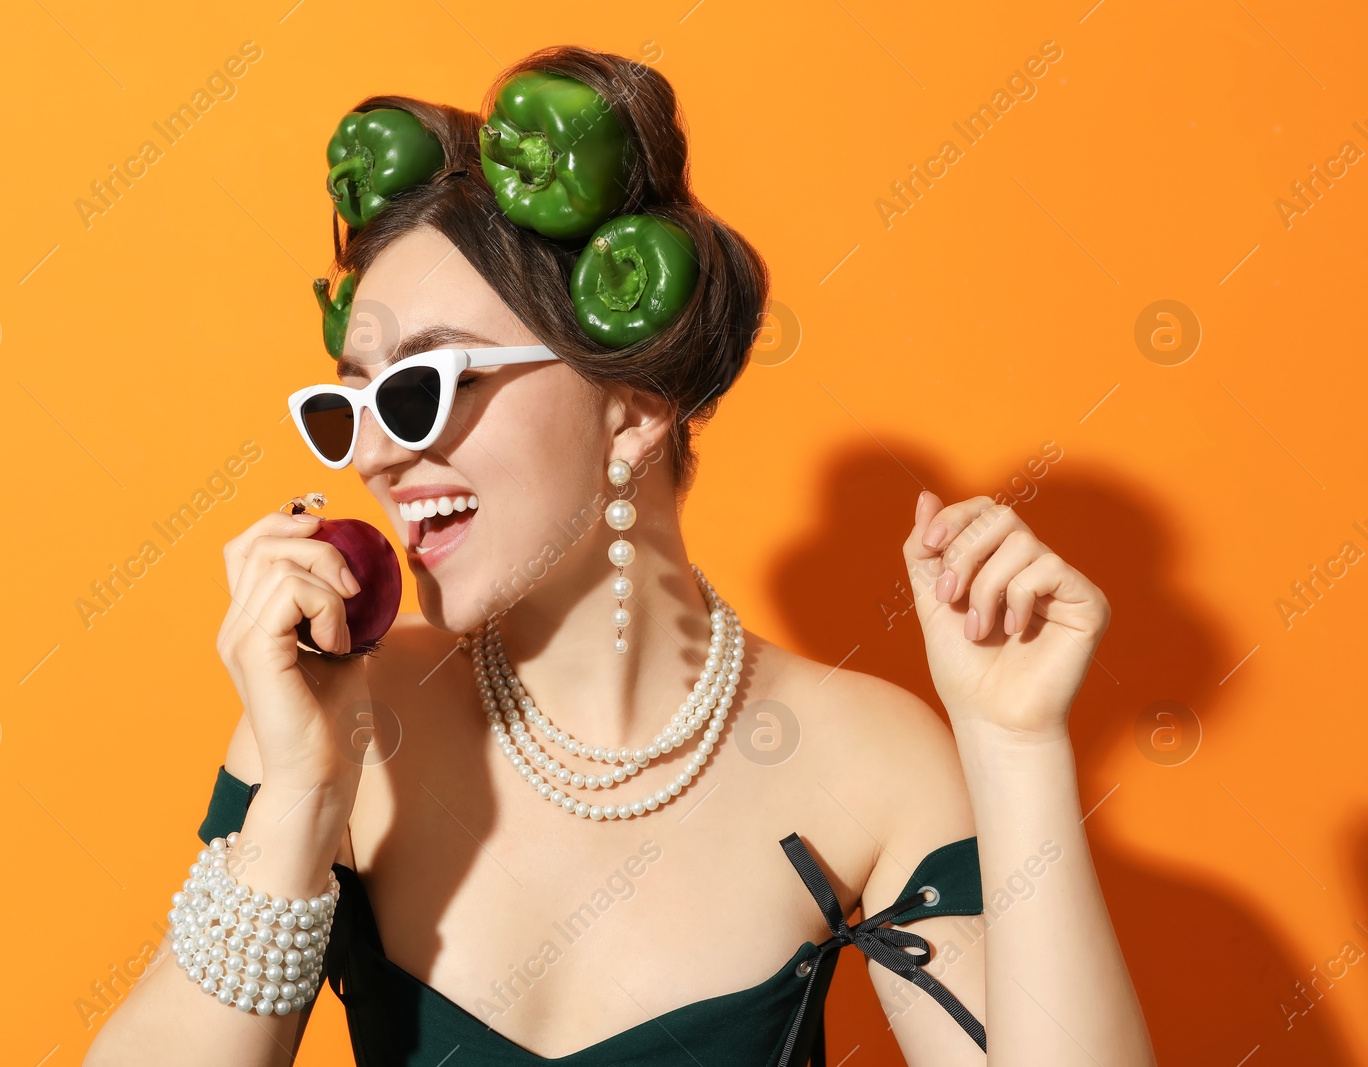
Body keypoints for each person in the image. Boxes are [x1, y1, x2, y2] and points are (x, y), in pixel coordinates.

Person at [85, 44, 1154, 1067]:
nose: (374, 450)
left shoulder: (867, 762)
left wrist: (1015, 746)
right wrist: (303, 796)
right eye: (350, 404)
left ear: (633, 410)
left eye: (422, 388)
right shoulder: (343, 720)